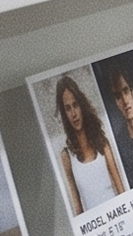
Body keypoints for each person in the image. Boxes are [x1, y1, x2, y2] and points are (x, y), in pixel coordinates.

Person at [52, 74, 126, 216]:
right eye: (68, 108)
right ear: (64, 114)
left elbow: (121, 191)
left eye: (75, 105)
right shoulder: (67, 156)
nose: (74, 113)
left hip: (117, 215)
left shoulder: (102, 144)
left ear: (81, 106)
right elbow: (78, 208)